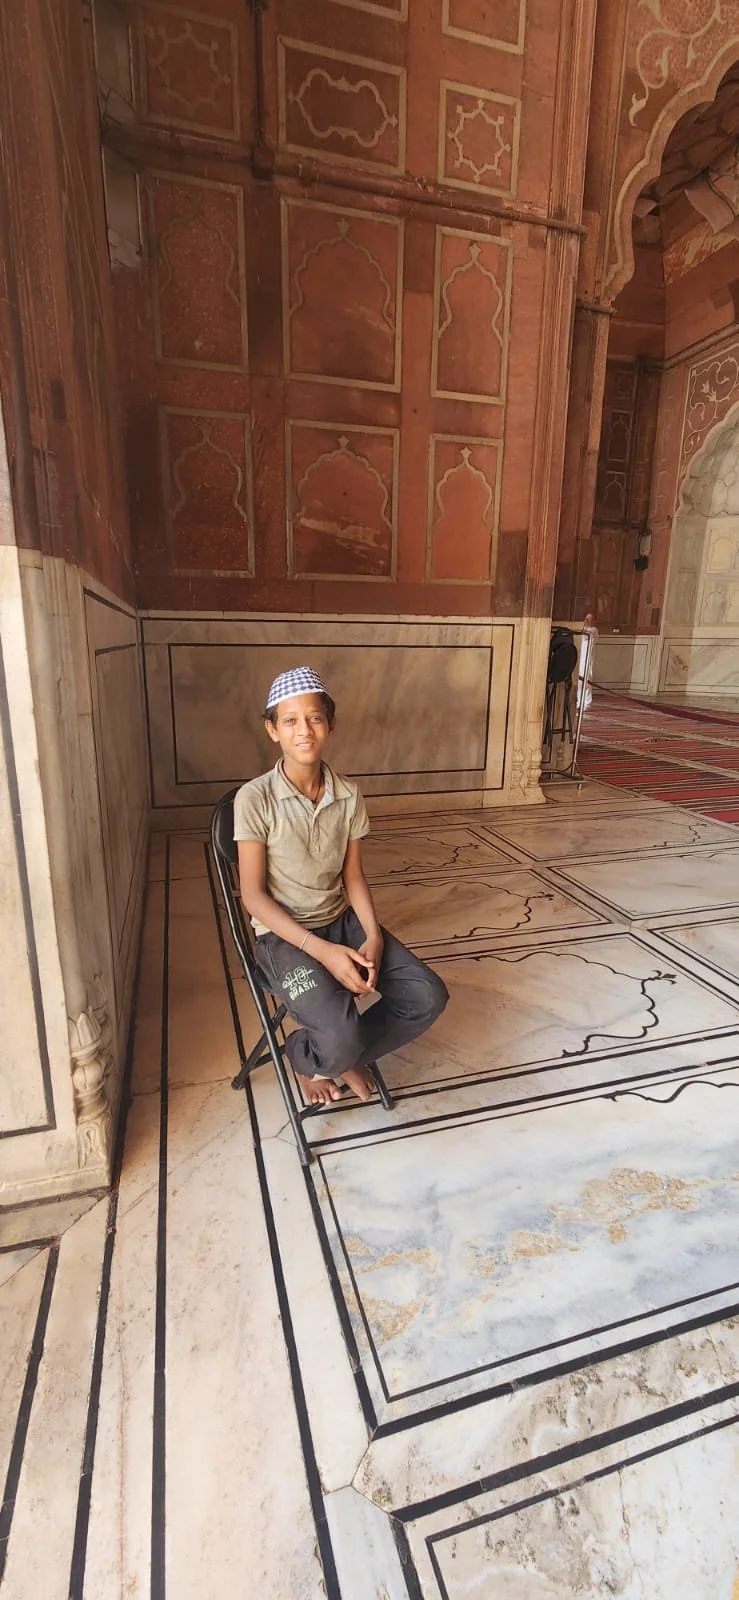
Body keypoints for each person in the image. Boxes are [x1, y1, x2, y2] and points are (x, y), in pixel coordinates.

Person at [233, 666, 449, 1108]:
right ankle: (305, 1056)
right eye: (290, 721)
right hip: (283, 939)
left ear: (330, 725)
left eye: (314, 718)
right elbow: (253, 896)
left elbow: (353, 876)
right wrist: (323, 952)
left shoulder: (348, 795)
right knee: (340, 1032)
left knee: (426, 996)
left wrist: (370, 936)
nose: (303, 730)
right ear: (272, 730)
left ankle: (335, 1056)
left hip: (342, 923)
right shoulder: (254, 799)